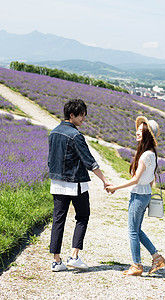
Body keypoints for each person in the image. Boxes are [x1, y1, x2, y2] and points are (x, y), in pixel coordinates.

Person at [48, 98, 111, 272]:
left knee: (58, 219)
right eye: (81, 115)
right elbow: (89, 161)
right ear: (72, 115)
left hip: (57, 183)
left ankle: (56, 261)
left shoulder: (53, 133)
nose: (84, 118)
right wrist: (104, 180)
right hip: (75, 184)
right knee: (82, 216)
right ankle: (74, 256)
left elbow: (50, 159)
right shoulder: (76, 135)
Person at [106, 116, 165, 276]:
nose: (137, 132)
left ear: (147, 135)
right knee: (137, 230)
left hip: (138, 196)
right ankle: (157, 257)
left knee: (133, 231)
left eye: (141, 131)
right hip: (145, 195)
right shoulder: (152, 154)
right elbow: (151, 179)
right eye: (138, 130)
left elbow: (136, 179)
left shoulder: (146, 155)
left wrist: (115, 188)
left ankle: (136, 265)